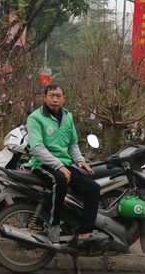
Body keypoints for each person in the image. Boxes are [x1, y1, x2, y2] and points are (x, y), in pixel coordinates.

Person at [27, 83, 103, 246]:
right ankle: (54, 225)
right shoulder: (35, 117)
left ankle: (84, 234)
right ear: (44, 97)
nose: (55, 99)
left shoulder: (68, 117)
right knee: (59, 179)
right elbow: (37, 148)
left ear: (64, 99)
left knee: (93, 188)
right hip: (42, 165)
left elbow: (72, 145)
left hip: (64, 165)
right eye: (51, 96)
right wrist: (58, 166)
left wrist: (80, 161)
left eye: (58, 96)